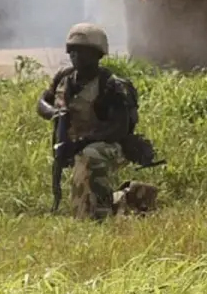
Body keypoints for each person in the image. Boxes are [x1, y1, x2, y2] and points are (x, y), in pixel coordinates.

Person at [36, 23, 146, 220]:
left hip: (109, 146)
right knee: (81, 202)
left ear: (97, 54)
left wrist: (83, 141)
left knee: (90, 156)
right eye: (72, 51)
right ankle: (106, 204)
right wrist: (55, 113)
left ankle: (123, 199)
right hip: (72, 145)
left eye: (82, 51)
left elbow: (119, 129)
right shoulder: (64, 78)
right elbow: (42, 102)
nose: (76, 56)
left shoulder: (110, 85)